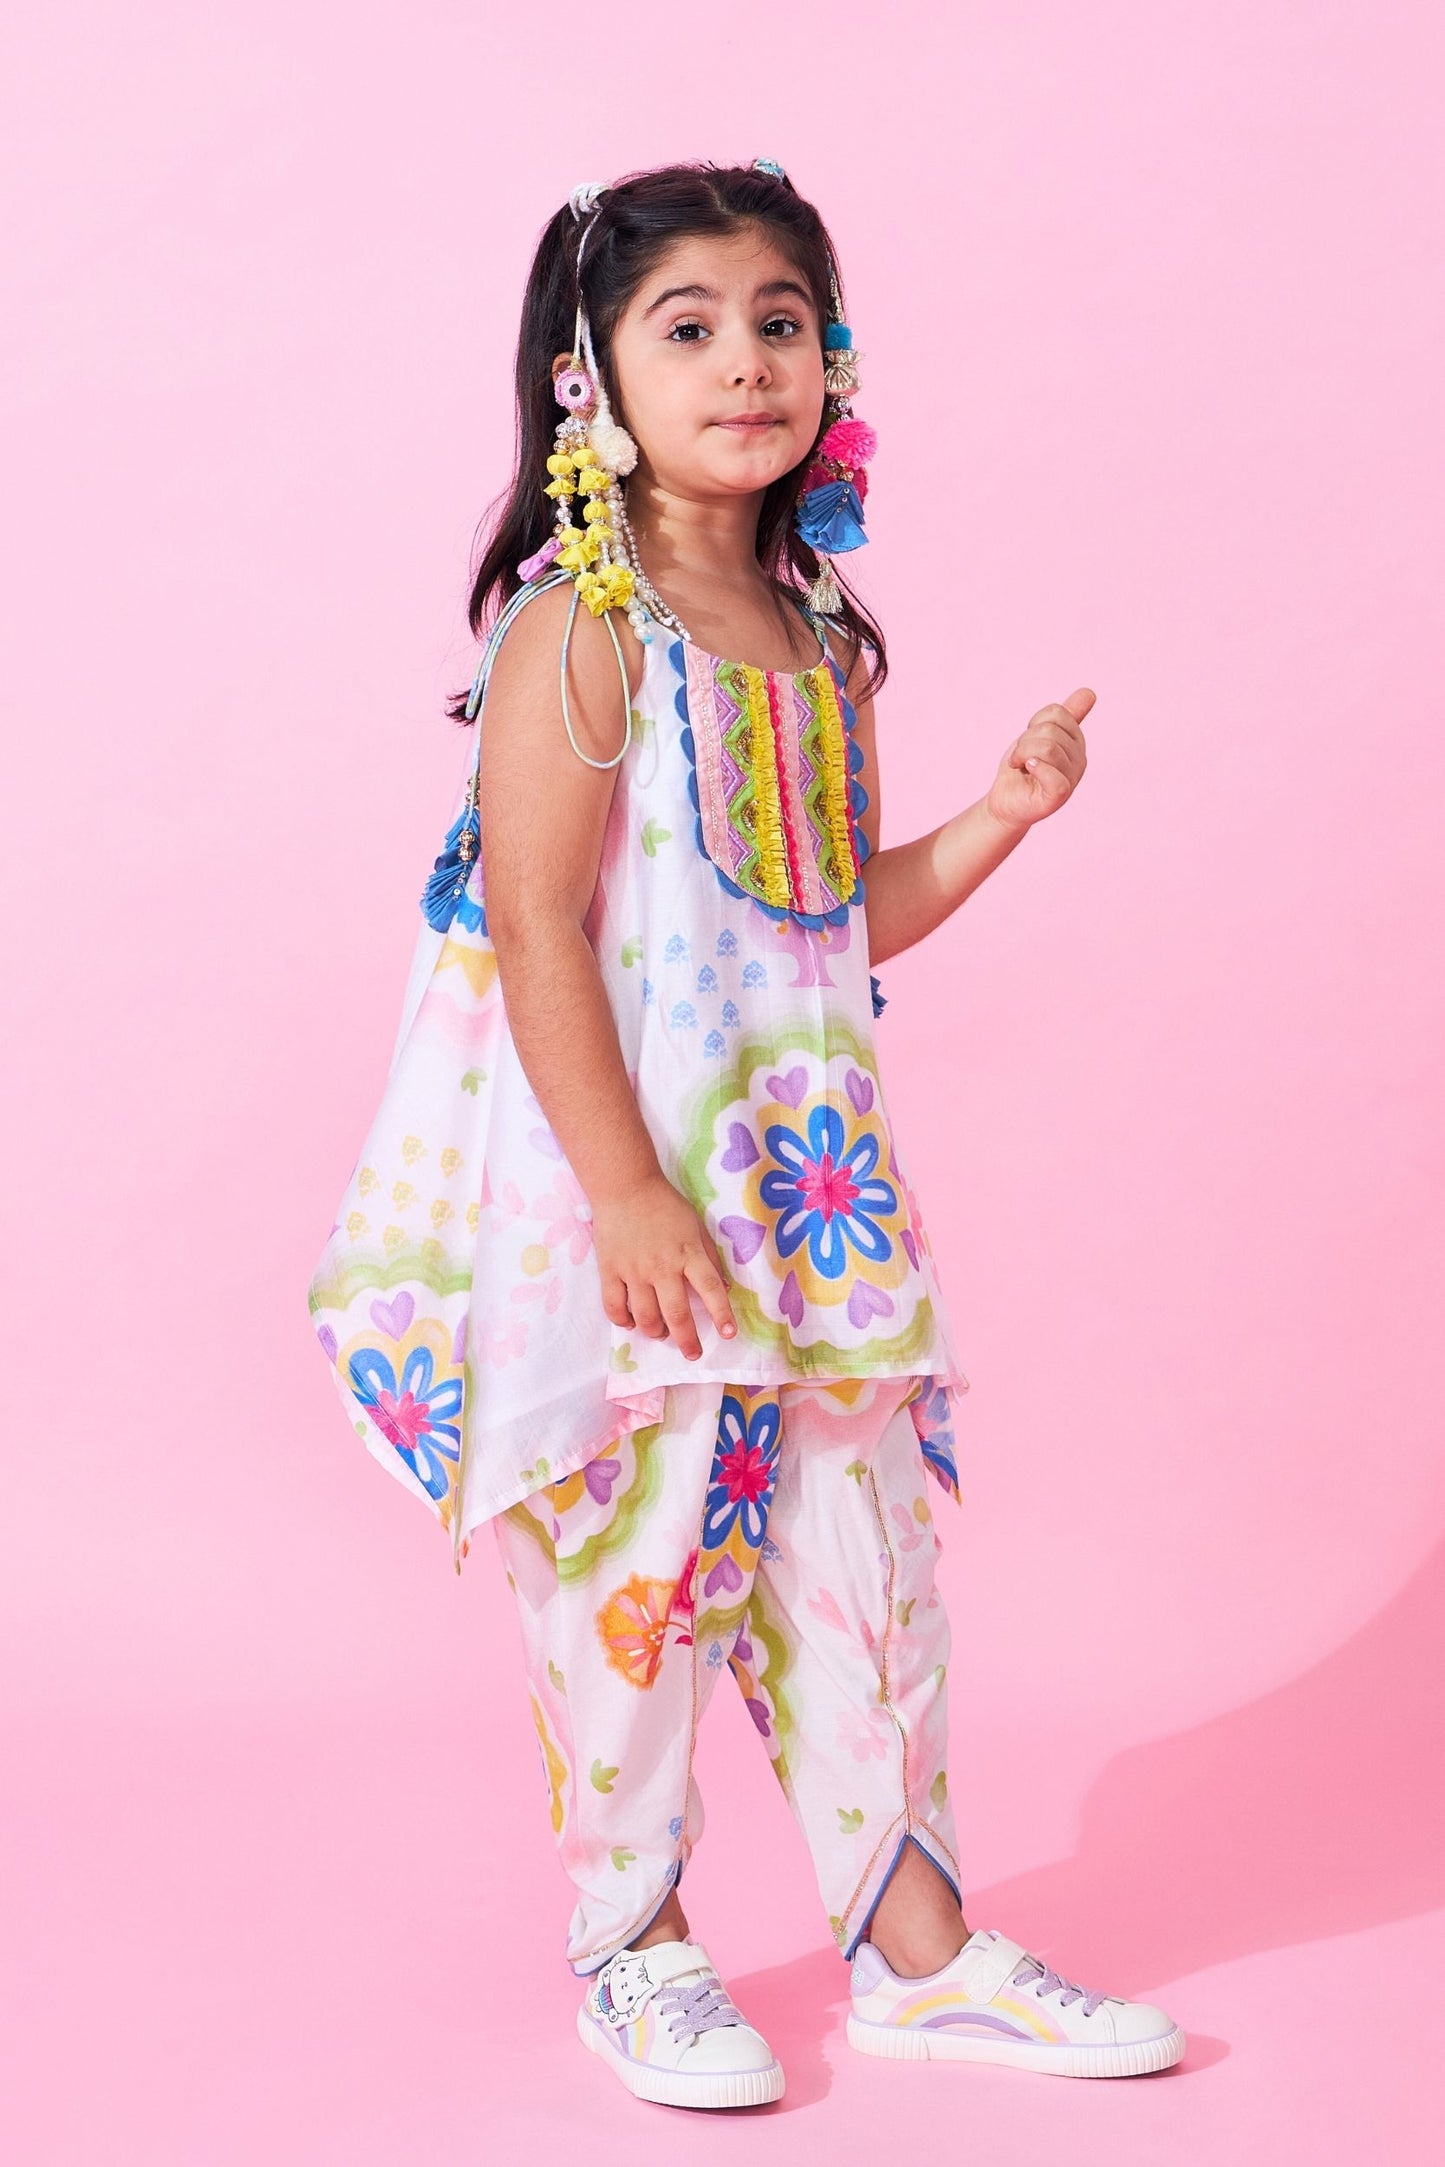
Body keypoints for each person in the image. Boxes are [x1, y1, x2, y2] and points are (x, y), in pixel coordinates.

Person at [307, 158, 1185, 2110]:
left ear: (833, 360)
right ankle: (636, 1941)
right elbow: (538, 919)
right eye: (688, 326)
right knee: (629, 1575)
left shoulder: (812, 639)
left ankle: (918, 1952)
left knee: (864, 1566)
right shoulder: (581, 632)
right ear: (587, 379)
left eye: (781, 321)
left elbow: (826, 917)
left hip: (806, 1195)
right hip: (631, 1203)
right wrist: (627, 1186)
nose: (745, 361)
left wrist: (999, 816)